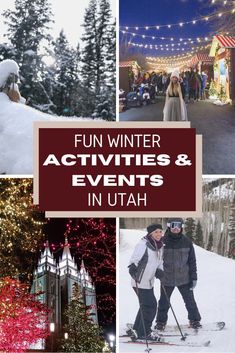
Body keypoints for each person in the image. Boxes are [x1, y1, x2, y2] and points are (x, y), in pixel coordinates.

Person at [155, 218, 201, 331]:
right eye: (173, 225)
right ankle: (161, 322)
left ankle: (194, 320)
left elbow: (192, 261)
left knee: (190, 301)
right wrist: (157, 271)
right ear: (169, 226)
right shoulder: (162, 241)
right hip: (167, 278)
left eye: (178, 226)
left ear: (181, 227)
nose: (176, 228)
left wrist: (194, 277)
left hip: (184, 278)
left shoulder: (187, 242)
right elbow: (156, 258)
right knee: (164, 303)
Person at [127, 224, 164, 341]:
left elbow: (160, 262)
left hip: (149, 282)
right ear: (150, 234)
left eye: (160, 232)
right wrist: (132, 267)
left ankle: (138, 328)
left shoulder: (160, 246)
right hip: (139, 281)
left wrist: (160, 271)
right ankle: (144, 332)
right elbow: (134, 259)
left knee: (145, 305)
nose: (158, 234)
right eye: (156, 232)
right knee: (151, 306)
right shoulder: (143, 244)